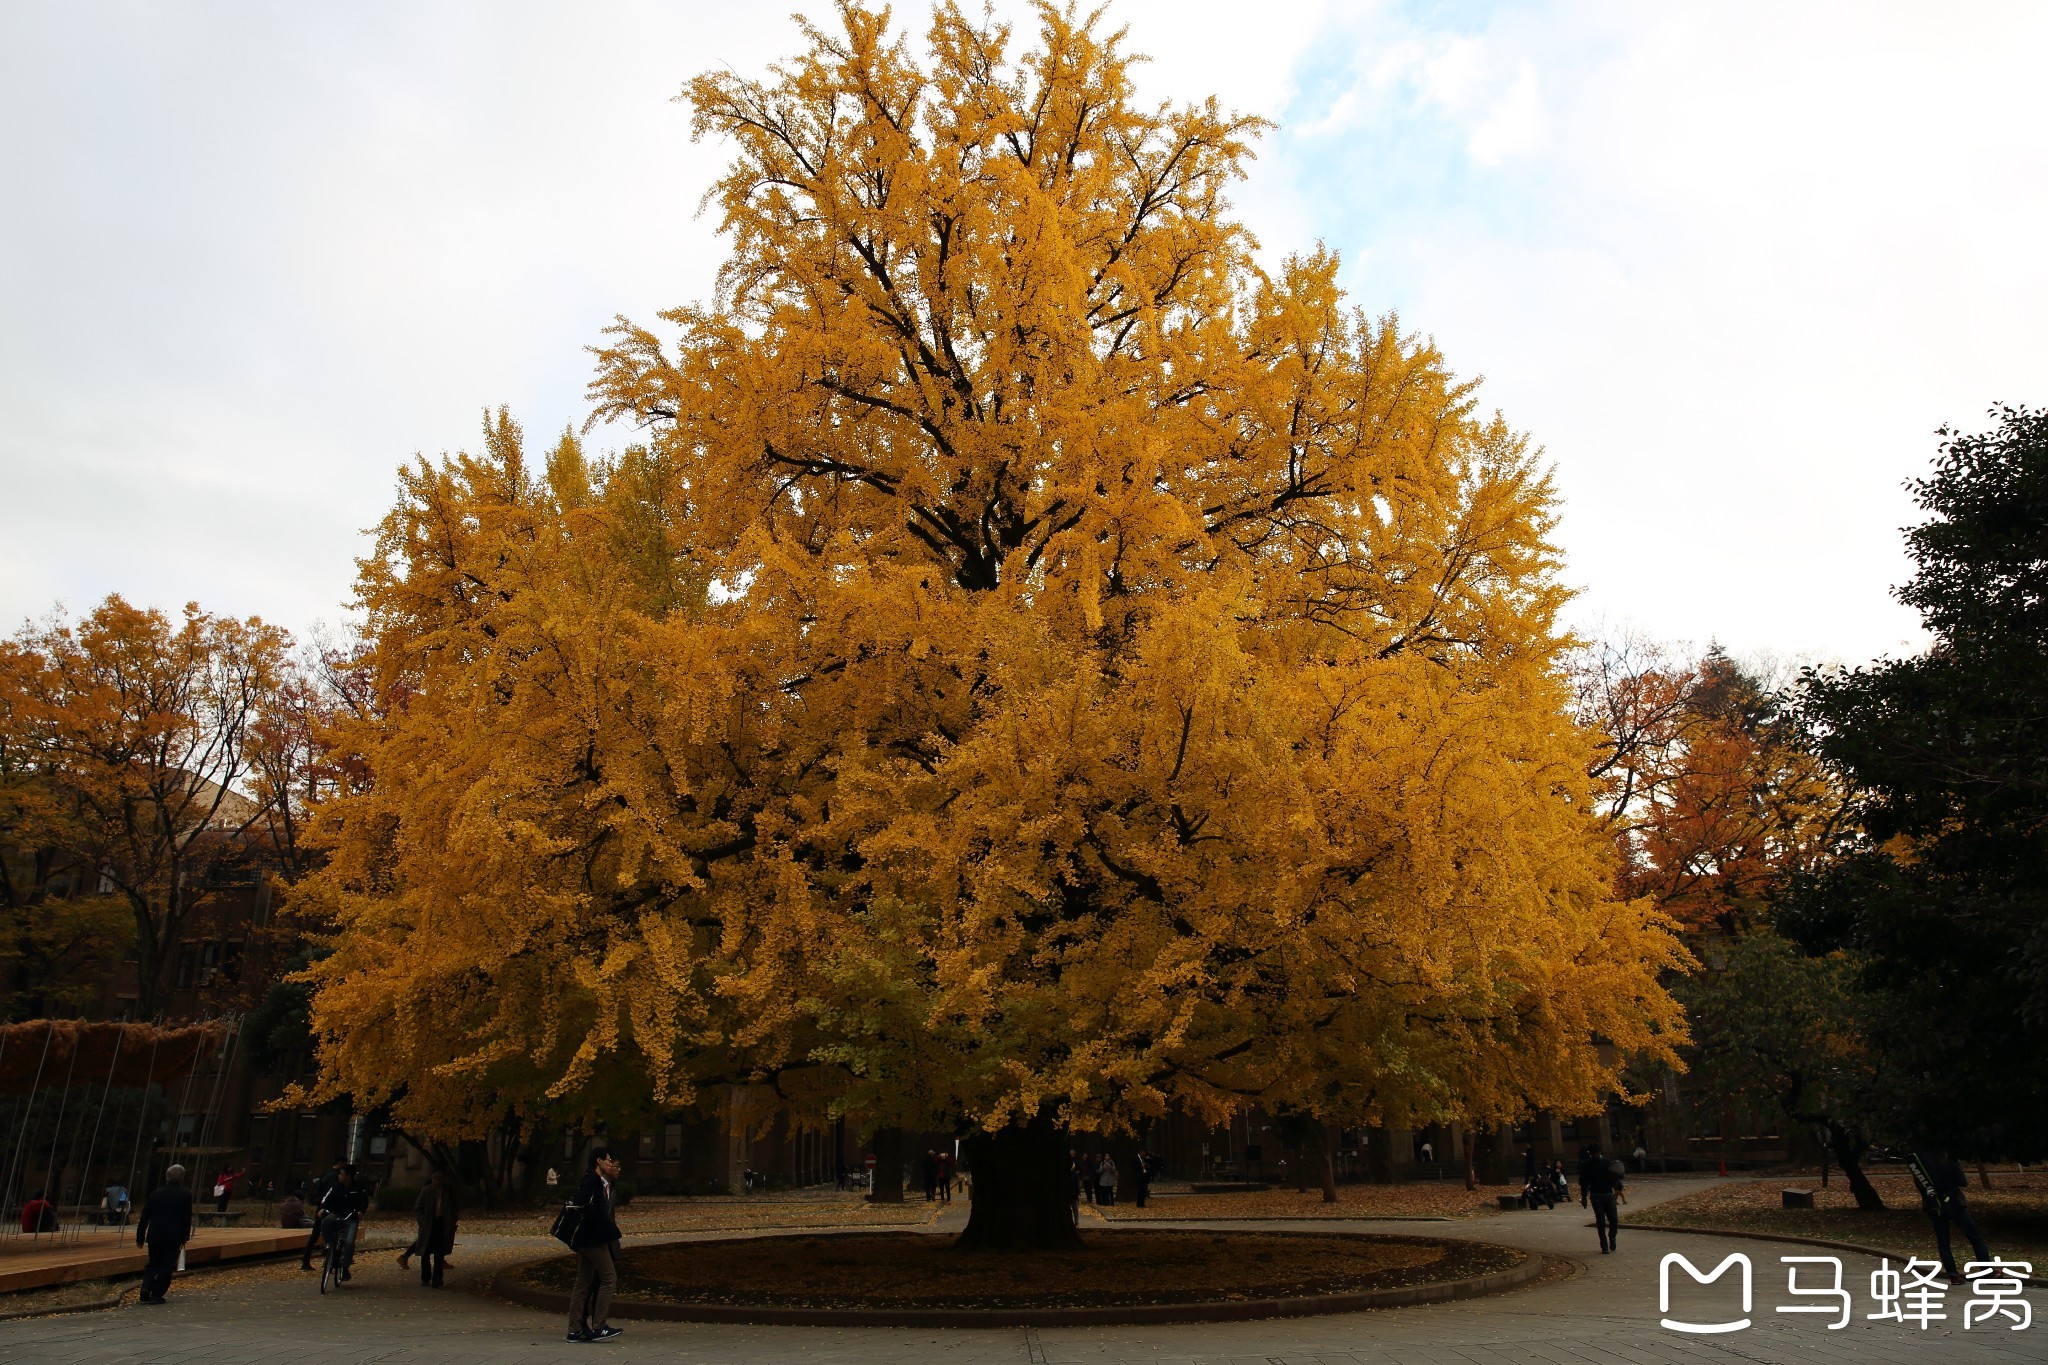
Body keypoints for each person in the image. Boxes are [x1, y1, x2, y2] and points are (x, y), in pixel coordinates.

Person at [567, 1147, 625, 1344]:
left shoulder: (596, 1182)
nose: (611, 1163)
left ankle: (575, 1330)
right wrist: (605, 1226)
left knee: (582, 1281)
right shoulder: (592, 1181)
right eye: (608, 1160)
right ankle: (599, 1326)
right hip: (592, 1239)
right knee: (609, 1278)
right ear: (599, 1161)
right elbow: (581, 1205)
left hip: (588, 1238)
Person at [1910, 1147, 1992, 1281]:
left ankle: (1953, 1274)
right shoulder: (1948, 1157)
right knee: (1975, 1237)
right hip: (1953, 1201)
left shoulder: (1917, 1161)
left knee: (1943, 1241)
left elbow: (1920, 1184)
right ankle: (1987, 1272)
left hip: (1933, 1204)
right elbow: (1962, 1181)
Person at [135, 1165, 195, 1304]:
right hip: (173, 1236)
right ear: (181, 1179)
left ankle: (145, 1286)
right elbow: (186, 1218)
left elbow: (145, 1217)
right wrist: (185, 1236)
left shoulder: (155, 1194)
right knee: (166, 1265)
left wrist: (140, 1236)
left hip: (155, 1234)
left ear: (166, 1177)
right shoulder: (185, 1195)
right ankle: (156, 1293)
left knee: (153, 1262)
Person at [399, 1170, 459, 1288]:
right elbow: (418, 1208)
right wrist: (422, 1221)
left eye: (439, 1179)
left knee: (439, 1253)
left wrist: (452, 1220)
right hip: (428, 1224)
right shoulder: (426, 1191)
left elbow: (453, 1207)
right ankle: (425, 1277)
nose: (437, 1181)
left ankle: (437, 1279)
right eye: (435, 1179)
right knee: (425, 1252)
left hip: (442, 1223)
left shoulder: (447, 1192)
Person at [315, 1164, 367, 1280]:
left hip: (351, 1218)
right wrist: (323, 1208)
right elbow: (326, 1199)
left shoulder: (358, 1188)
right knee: (327, 1221)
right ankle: (328, 1244)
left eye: (342, 1174)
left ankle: (345, 1268)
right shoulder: (335, 1187)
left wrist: (360, 1211)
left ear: (349, 1176)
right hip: (337, 1214)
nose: (339, 1176)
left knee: (349, 1243)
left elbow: (364, 1201)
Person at [299, 1159, 345, 1270]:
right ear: (340, 1163)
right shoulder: (334, 1177)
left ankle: (306, 1261)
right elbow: (331, 1193)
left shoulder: (326, 1174)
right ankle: (332, 1259)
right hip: (327, 1209)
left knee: (315, 1235)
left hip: (320, 1207)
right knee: (334, 1233)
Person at [1579, 1143, 1623, 1253]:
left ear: (1600, 1152)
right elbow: (1584, 1182)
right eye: (1593, 1154)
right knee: (1601, 1221)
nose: (1595, 1156)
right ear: (1590, 1153)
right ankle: (1604, 1245)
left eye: (1597, 1153)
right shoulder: (1587, 1164)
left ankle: (1612, 1237)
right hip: (1596, 1195)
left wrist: (1617, 1187)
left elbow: (1614, 1177)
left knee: (1614, 1220)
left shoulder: (1607, 1162)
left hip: (1608, 1194)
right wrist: (1583, 1196)